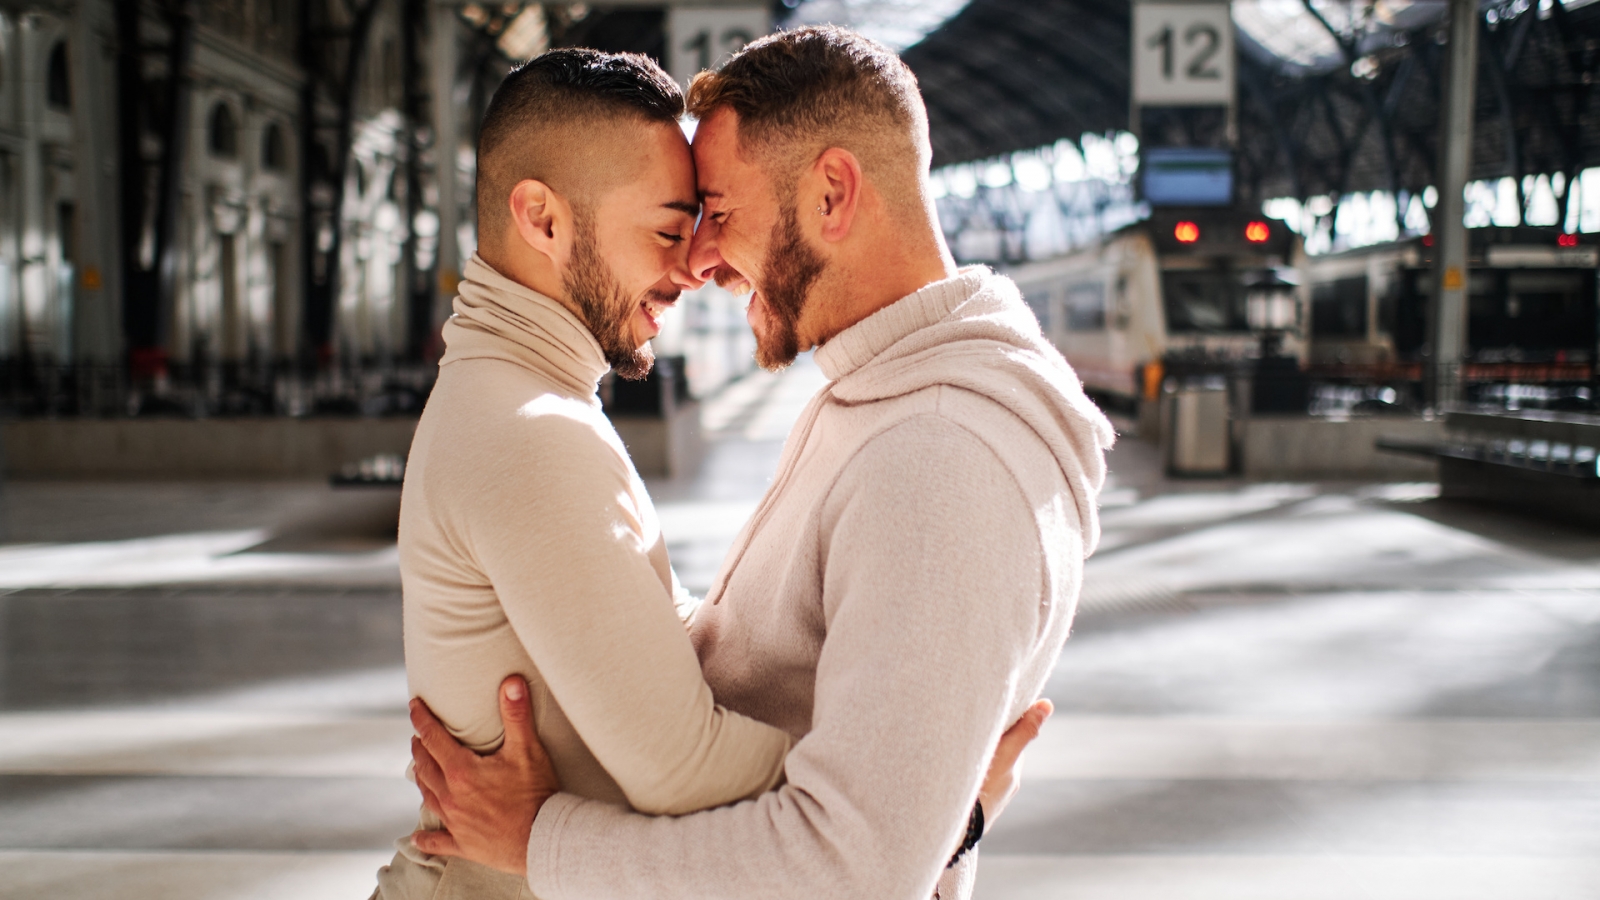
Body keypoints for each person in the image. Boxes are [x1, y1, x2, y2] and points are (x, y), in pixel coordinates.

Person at [408, 25, 1114, 900]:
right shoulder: (879, 403)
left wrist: (919, 812)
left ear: (831, 193)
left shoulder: (940, 456)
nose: (702, 262)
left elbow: (854, 860)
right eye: (679, 225)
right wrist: (931, 809)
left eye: (720, 215)